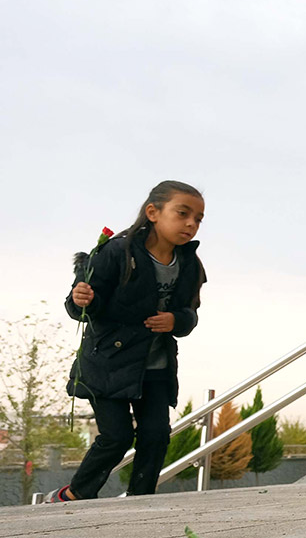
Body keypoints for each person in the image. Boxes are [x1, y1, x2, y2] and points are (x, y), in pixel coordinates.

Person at [46, 181, 207, 502]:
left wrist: (177, 320)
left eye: (199, 218)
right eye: (183, 213)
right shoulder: (114, 252)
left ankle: (140, 500)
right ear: (153, 212)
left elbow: (191, 313)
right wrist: (81, 299)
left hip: (157, 366)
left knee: (156, 435)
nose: (191, 223)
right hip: (109, 363)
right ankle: (74, 494)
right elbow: (79, 306)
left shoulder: (191, 264)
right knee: (116, 437)